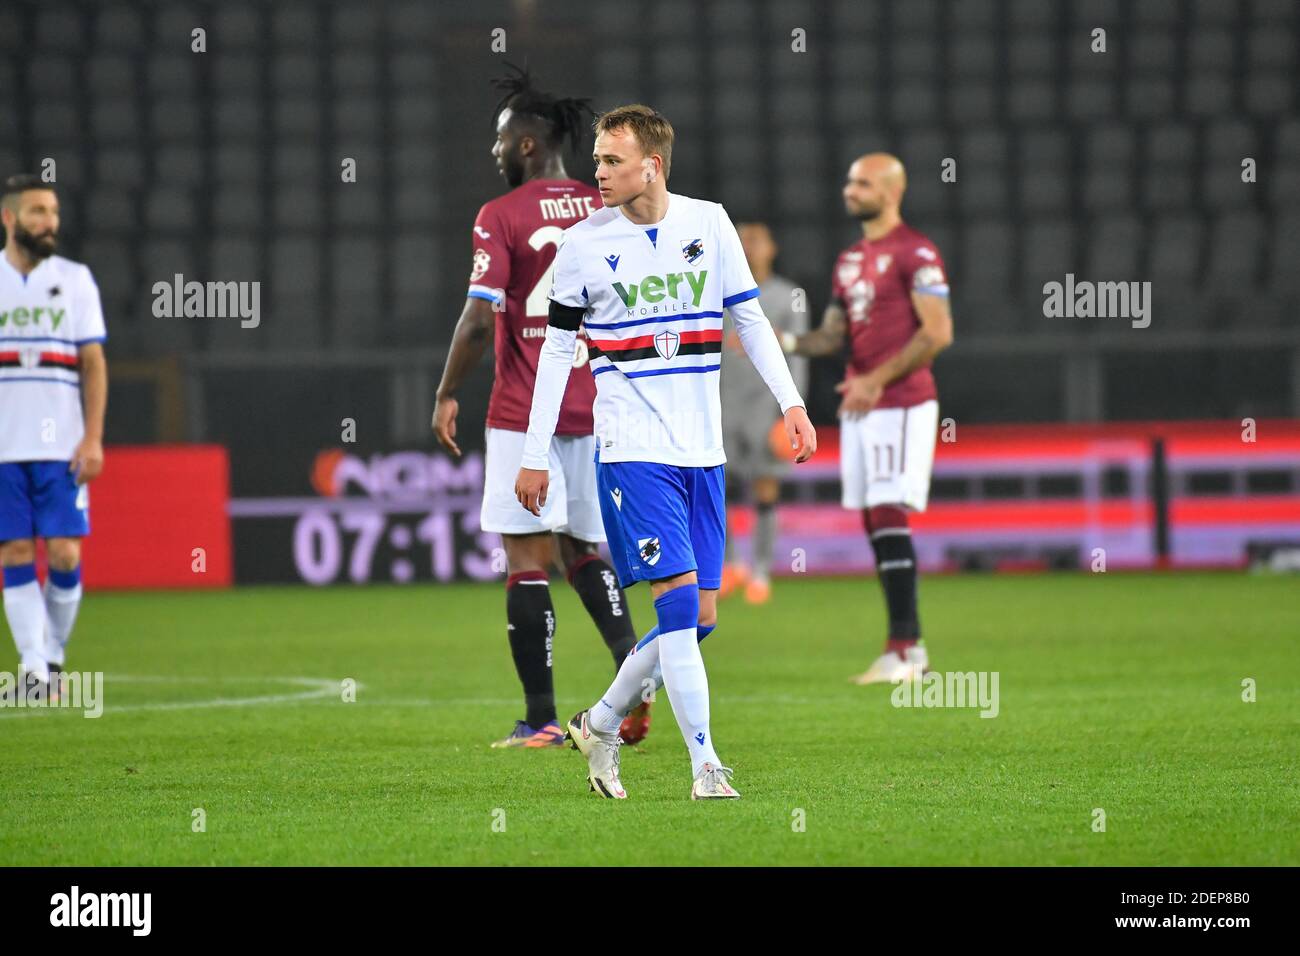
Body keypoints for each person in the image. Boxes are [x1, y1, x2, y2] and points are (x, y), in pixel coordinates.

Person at [516, 105, 816, 799]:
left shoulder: (709, 224)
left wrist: (792, 404)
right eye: (596, 159)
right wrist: (536, 453)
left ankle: (601, 719)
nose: (598, 172)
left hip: (702, 452)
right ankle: (705, 765)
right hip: (632, 450)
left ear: (651, 164)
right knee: (679, 604)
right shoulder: (582, 244)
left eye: (612, 161)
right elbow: (557, 353)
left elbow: (750, 318)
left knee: (701, 618)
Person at [432, 68, 647, 749]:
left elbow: (475, 320)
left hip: (524, 408)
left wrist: (444, 392)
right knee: (584, 547)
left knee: (526, 556)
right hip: (594, 408)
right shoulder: (605, 211)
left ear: (528, 144)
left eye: (501, 139)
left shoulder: (503, 215)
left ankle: (542, 719)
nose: (494, 151)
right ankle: (633, 675)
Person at [783, 154, 953, 684]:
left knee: (886, 509)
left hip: (900, 401)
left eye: (861, 182)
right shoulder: (852, 258)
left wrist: (876, 379)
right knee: (873, 517)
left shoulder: (916, 252)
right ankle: (906, 648)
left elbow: (937, 332)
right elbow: (834, 336)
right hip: (863, 402)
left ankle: (905, 650)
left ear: (890, 190)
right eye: (849, 179)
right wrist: (780, 340)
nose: (849, 189)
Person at [0, 174, 108, 700]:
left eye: (54, 212)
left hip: (60, 446)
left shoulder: (76, 280)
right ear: (9, 217)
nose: (50, 222)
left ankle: (54, 656)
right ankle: (35, 671)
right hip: (3, 449)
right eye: (39, 211)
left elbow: (93, 364)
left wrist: (93, 438)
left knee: (64, 553)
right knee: (15, 550)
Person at [718, 221, 808, 603]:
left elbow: (799, 356)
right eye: (742, 240)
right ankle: (727, 566)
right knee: (716, 488)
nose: (749, 247)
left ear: (772, 247)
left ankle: (761, 571)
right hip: (722, 404)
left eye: (756, 240)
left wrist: (792, 409)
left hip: (764, 407)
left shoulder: (789, 296)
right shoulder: (715, 292)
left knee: (764, 487)